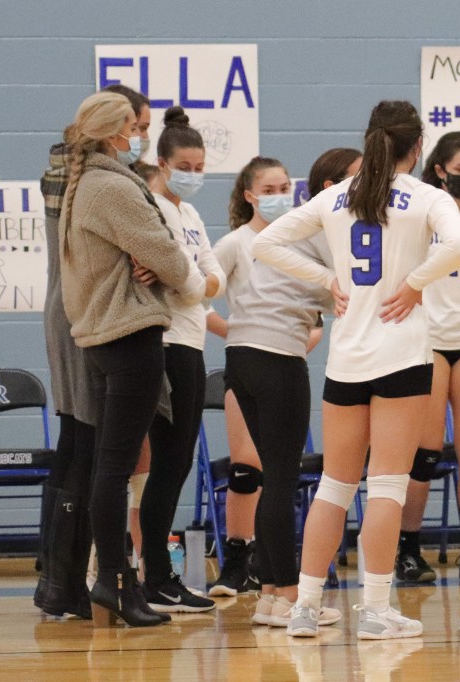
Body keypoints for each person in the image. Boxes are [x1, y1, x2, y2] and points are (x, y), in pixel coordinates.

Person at [253, 100, 460, 639]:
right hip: (401, 358)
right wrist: (417, 283)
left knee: (334, 487)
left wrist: (328, 279)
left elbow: (265, 241)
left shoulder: (334, 197)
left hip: (346, 361)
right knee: (388, 486)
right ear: (417, 147)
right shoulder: (426, 197)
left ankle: (304, 607)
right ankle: (375, 609)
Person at [59, 91, 207, 627]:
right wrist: (169, 268)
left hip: (104, 336)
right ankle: (116, 581)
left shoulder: (85, 182)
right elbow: (169, 254)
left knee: (112, 463)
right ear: (116, 131)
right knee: (115, 465)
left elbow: (151, 253)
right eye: (133, 127)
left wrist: (148, 259)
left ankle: (119, 581)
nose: (138, 135)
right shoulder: (113, 185)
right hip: (129, 334)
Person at [36, 84, 151, 620]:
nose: (140, 136)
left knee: (81, 445)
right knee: (87, 447)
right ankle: (67, 583)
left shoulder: (69, 165)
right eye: (136, 125)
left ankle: (64, 583)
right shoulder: (83, 175)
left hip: (74, 309)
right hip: (83, 313)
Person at [394, 132, 460, 585]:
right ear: (439, 169)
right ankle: (408, 550)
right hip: (429, 338)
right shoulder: (421, 210)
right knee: (426, 449)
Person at [140, 107, 225, 614]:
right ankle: (155, 574)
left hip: (193, 344)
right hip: (165, 343)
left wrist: (191, 280)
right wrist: (192, 281)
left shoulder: (190, 215)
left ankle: (161, 575)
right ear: (163, 162)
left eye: (201, 166)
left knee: (177, 464)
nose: (194, 175)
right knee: (162, 465)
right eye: (186, 166)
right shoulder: (150, 207)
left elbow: (211, 279)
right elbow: (190, 280)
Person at [205, 156, 291, 598]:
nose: (279, 197)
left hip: (286, 359)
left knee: (279, 470)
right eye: (270, 190)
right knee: (247, 466)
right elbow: (198, 297)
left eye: (284, 188)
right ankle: (235, 561)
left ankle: (268, 565)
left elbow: (315, 313)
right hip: (246, 359)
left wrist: (304, 336)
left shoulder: (299, 242)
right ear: (250, 195)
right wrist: (234, 332)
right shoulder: (235, 244)